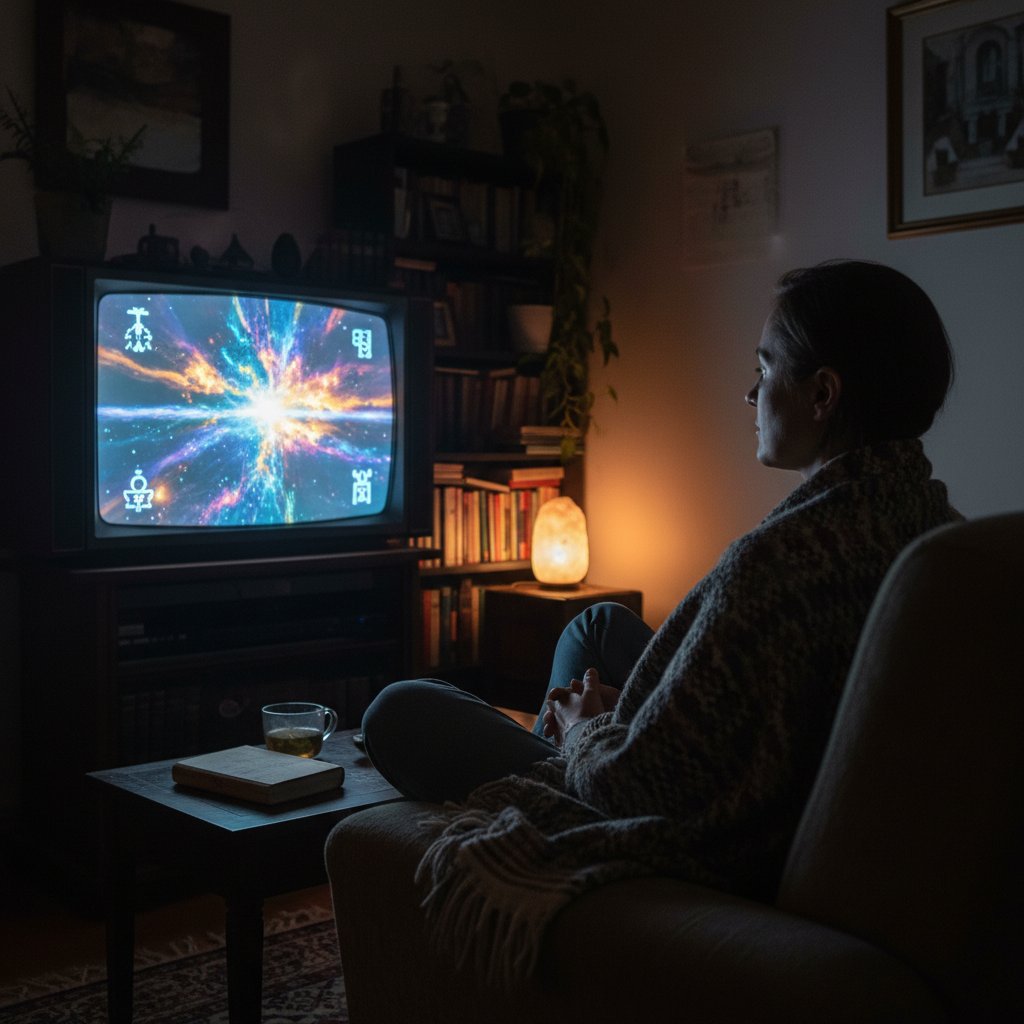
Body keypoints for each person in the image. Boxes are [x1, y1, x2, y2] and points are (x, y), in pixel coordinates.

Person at [361, 259, 962, 986]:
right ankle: (561, 740)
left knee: (400, 710)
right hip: (745, 763)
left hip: (695, 823)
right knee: (599, 627)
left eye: (764, 368)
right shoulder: (936, 527)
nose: (750, 391)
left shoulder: (779, 567)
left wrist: (589, 733)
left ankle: (554, 762)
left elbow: (642, 791)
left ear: (823, 394)